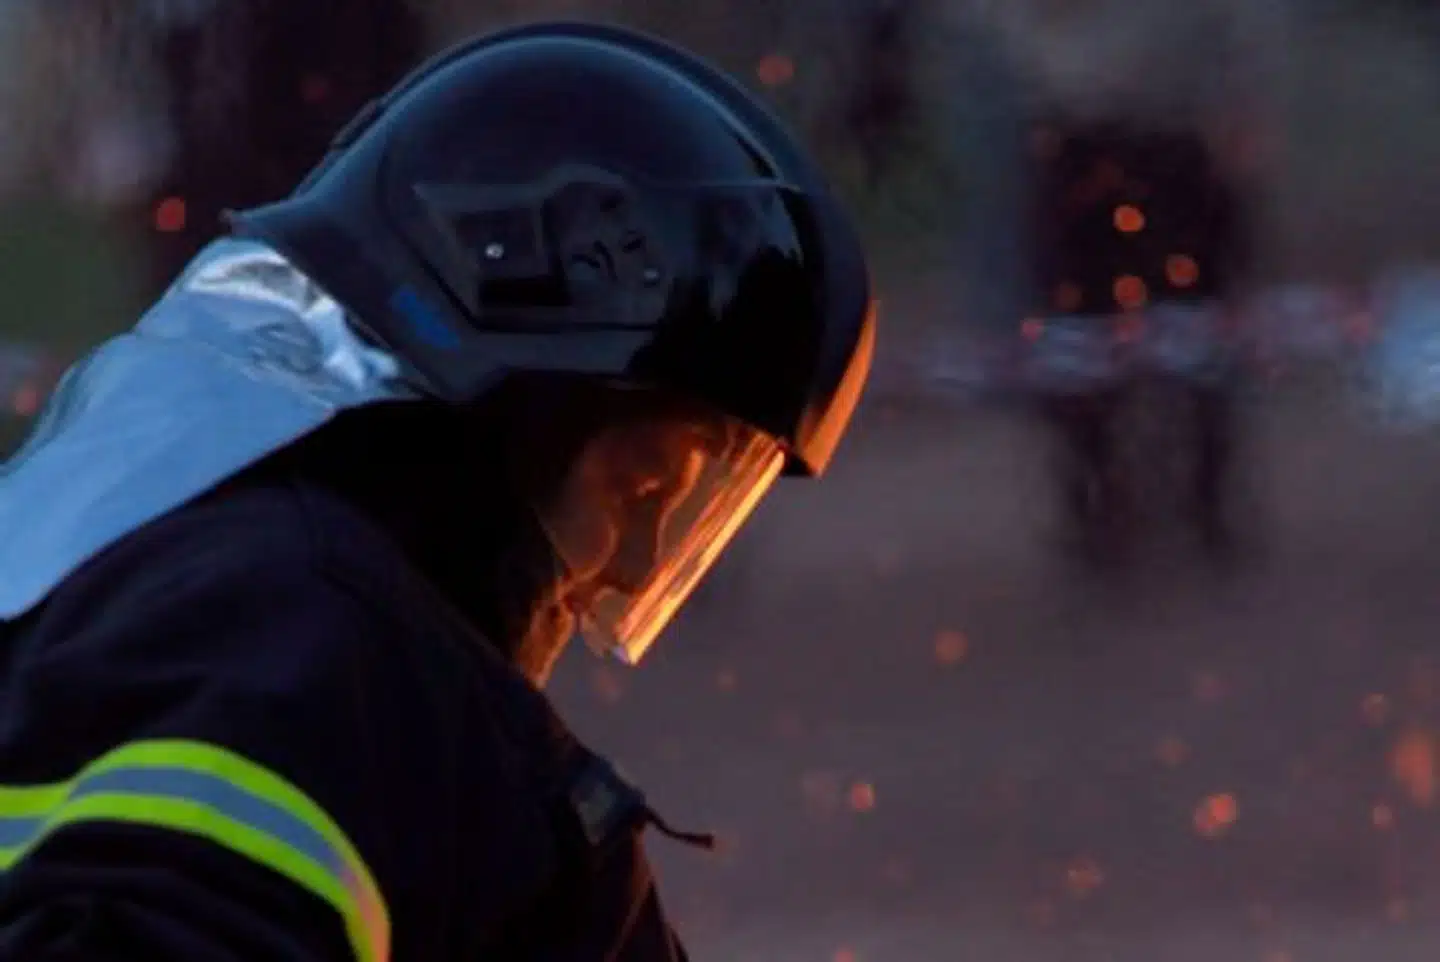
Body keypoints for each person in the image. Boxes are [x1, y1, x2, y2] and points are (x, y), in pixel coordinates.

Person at [0, 21, 875, 962]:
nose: (627, 566)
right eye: (644, 481)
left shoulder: (256, 616)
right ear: (521, 405)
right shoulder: (293, 646)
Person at [1025, 117, 1249, 561]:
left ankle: (1204, 512)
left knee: (1204, 404)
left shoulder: (1181, 157)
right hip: (1091, 301)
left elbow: (1217, 228)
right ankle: (1100, 517)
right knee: (1086, 417)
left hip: (1174, 295)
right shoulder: (1069, 167)